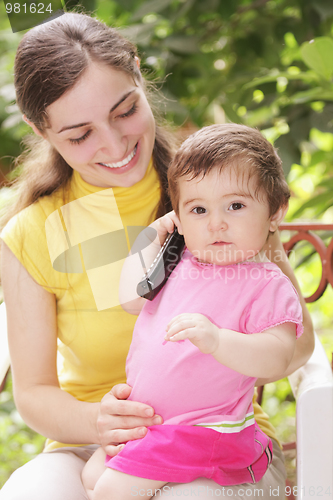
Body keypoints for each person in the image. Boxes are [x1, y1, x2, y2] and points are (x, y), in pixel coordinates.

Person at [0, 12, 314, 500]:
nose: (114, 144)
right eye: (80, 135)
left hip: (218, 443)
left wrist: (222, 346)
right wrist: (98, 420)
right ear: (41, 130)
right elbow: (35, 394)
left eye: (125, 110)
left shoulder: (215, 193)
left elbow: (295, 345)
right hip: (94, 445)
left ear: (140, 77)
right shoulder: (34, 231)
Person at [81, 123, 303, 500]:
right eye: (198, 209)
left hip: (204, 431)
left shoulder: (265, 283)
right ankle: (164, 482)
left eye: (235, 205)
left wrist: (218, 340)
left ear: (274, 213)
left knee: (109, 491)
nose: (215, 223)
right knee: (91, 475)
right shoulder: (176, 263)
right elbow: (131, 299)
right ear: (179, 221)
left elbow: (277, 357)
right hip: (154, 426)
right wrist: (150, 240)